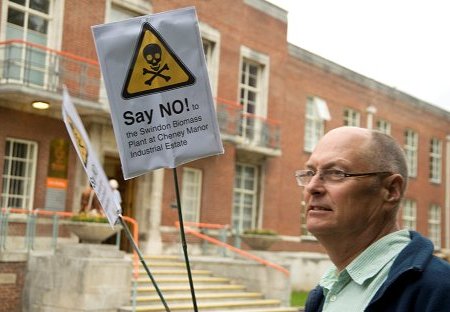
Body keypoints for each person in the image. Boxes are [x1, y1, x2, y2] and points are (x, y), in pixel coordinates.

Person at [295, 126, 450, 312]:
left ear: (391, 190)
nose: (312, 187)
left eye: (336, 173)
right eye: (310, 173)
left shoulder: (439, 291)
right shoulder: (324, 293)